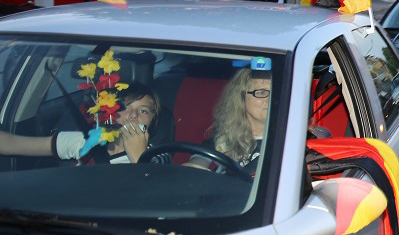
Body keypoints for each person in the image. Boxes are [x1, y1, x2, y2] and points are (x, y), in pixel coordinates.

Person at [0, 83, 162, 163]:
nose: (132, 115)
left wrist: (140, 158)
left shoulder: (159, 157)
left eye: (143, 111)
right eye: (125, 108)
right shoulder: (85, 142)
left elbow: (160, 194)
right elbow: (13, 144)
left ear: (153, 121)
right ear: (110, 112)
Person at [190, 68, 270, 175]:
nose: (270, 99)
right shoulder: (224, 134)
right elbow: (200, 160)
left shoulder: (289, 143)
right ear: (240, 98)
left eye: (276, 93)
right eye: (261, 92)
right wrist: (192, 169)